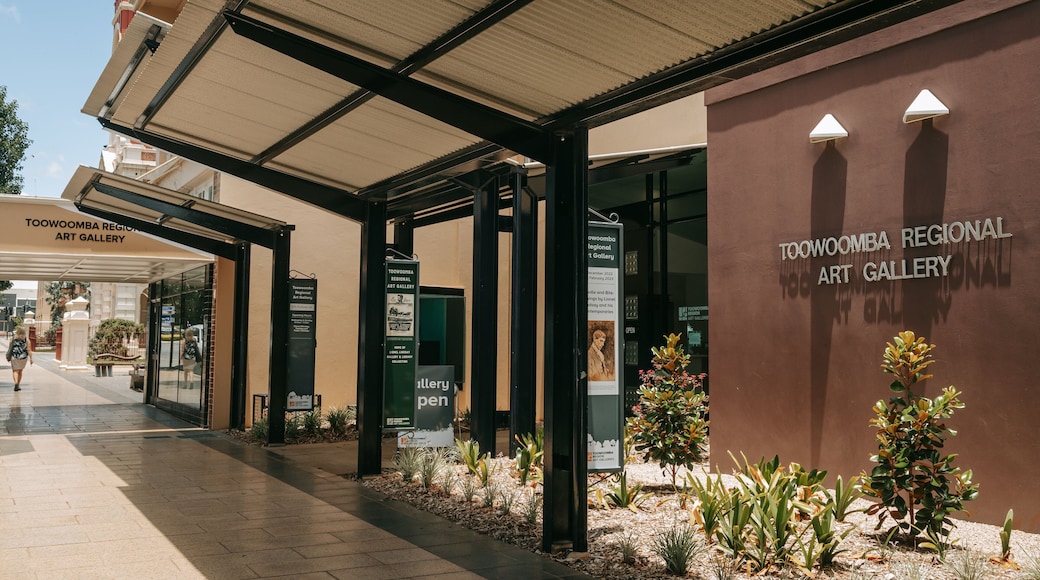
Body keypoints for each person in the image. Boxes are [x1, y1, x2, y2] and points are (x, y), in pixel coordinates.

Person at [6, 326, 33, 391]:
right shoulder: (27, 340)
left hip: (14, 357)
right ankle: (18, 384)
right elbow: (29, 350)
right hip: (23, 358)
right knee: (20, 371)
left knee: (15, 371)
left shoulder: (12, 339)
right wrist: (31, 359)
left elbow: (10, 348)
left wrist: (8, 356)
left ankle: (16, 383)